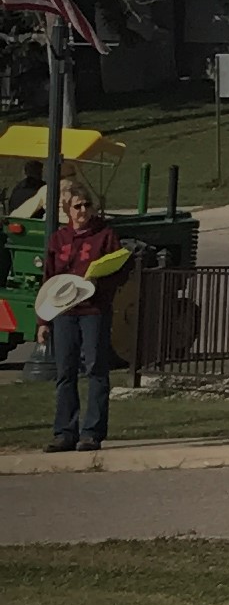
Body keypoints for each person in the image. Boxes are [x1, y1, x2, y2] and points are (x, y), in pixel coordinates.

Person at [40, 180, 120, 453]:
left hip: (94, 311)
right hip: (64, 312)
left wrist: (101, 285)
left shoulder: (106, 235)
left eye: (87, 205)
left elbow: (121, 269)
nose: (83, 210)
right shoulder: (58, 239)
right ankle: (65, 432)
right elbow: (49, 280)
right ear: (68, 210)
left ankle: (92, 433)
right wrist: (43, 321)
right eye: (77, 206)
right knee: (65, 371)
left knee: (96, 369)